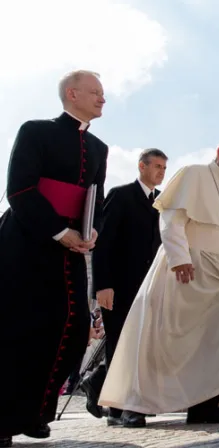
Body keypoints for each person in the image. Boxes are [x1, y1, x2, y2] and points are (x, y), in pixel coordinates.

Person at [97, 138, 219, 424]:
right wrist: (180, 257)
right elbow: (171, 218)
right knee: (161, 338)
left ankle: (204, 405)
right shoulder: (193, 174)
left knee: (216, 340)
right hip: (187, 267)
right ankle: (134, 406)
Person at [0, 70, 108, 447]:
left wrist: (92, 231)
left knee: (72, 328)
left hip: (72, 251)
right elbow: (20, 189)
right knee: (18, 330)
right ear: (72, 93)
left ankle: (35, 412)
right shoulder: (35, 131)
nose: (103, 99)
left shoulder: (99, 148)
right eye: (96, 92)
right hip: (27, 242)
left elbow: (97, 200)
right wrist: (60, 232)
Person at [83, 148, 168, 427]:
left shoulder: (161, 203)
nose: (160, 171)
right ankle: (123, 408)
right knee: (121, 344)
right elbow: (103, 243)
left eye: (164, 167)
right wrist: (102, 285)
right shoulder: (120, 195)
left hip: (147, 287)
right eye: (156, 165)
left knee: (141, 346)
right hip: (119, 287)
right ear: (141, 166)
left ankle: (102, 387)